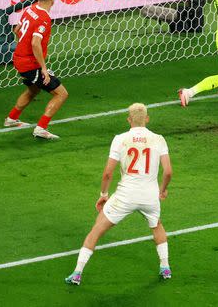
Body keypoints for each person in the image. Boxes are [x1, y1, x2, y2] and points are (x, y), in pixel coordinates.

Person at [65, 103, 173, 285]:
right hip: (150, 197)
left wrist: (104, 194)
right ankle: (165, 267)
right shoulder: (159, 139)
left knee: (97, 229)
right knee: (157, 226)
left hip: (125, 196)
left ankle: (77, 272)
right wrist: (162, 190)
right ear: (147, 119)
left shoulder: (120, 139)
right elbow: (168, 171)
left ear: (129, 120)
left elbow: (108, 173)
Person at [4, 0, 69, 140]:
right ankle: (41, 128)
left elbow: (17, 30)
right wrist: (44, 68)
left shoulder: (29, 9)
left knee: (33, 89)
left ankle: (11, 119)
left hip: (19, 58)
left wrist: (23, 45)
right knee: (61, 94)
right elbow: (35, 43)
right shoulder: (44, 18)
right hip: (30, 64)